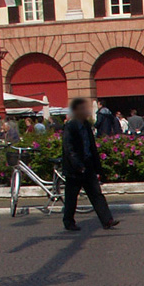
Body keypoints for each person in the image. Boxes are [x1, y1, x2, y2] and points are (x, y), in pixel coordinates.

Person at [60, 98, 119, 233]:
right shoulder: (71, 127)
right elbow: (69, 149)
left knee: (96, 194)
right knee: (71, 196)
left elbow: (92, 147)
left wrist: (97, 167)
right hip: (75, 168)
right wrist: (77, 165)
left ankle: (107, 220)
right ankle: (68, 222)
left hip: (88, 164)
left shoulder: (86, 125)